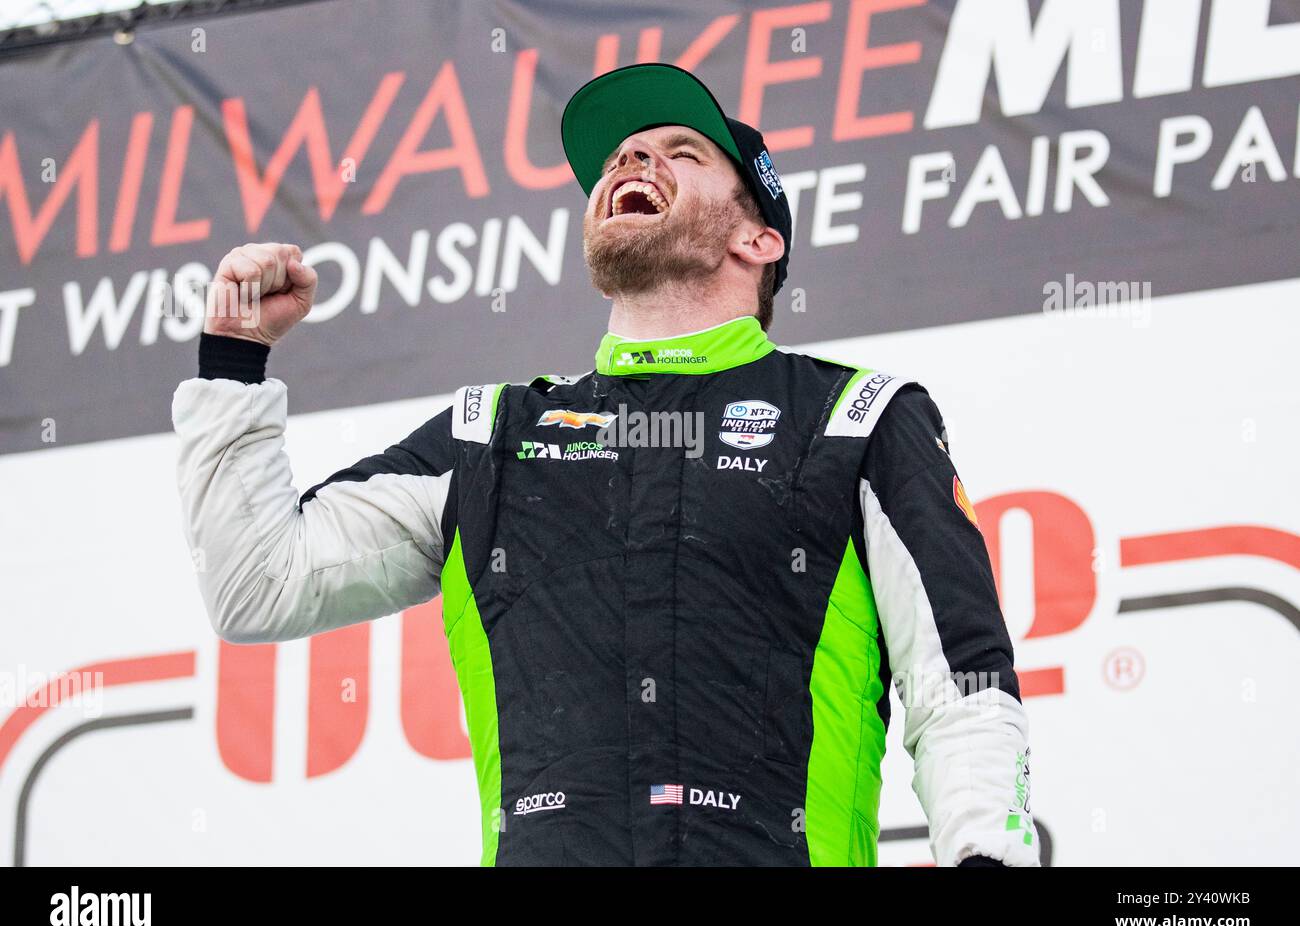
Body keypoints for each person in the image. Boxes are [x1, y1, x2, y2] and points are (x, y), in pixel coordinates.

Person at [173, 63, 1037, 867]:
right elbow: (258, 583)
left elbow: (958, 684)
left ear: (757, 239)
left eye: (681, 152)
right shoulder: (490, 435)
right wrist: (232, 361)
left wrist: (987, 860)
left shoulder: (858, 418)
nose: (631, 157)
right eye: (623, 155)